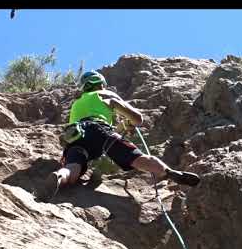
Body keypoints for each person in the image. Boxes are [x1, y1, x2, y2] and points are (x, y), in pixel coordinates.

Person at [36, 70, 200, 201]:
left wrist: (122, 126)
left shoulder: (77, 104)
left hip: (74, 136)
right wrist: (129, 123)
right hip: (98, 129)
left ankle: (59, 176)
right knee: (136, 158)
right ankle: (169, 172)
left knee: (73, 167)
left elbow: (96, 127)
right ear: (100, 84)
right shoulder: (104, 94)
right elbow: (137, 118)